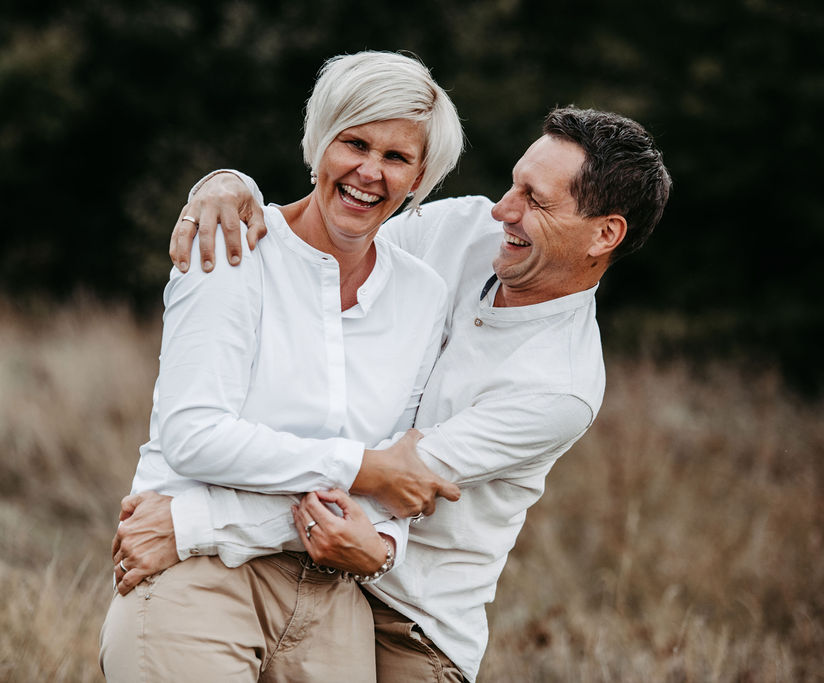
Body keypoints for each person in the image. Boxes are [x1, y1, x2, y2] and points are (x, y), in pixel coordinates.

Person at [115, 105, 672, 681]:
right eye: (514, 184)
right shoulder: (461, 229)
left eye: (535, 200)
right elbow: (324, 238)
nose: (501, 209)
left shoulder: (560, 388)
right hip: (298, 568)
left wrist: (191, 524)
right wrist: (228, 186)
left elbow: (384, 487)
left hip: (412, 625)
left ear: (604, 233)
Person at [100, 51, 464, 681]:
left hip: (332, 600)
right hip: (200, 581)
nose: (369, 172)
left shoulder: (424, 294)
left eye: (396, 157)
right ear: (319, 140)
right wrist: (358, 469)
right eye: (354, 142)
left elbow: (396, 481)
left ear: (419, 177)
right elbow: (194, 437)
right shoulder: (236, 246)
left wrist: (377, 544)